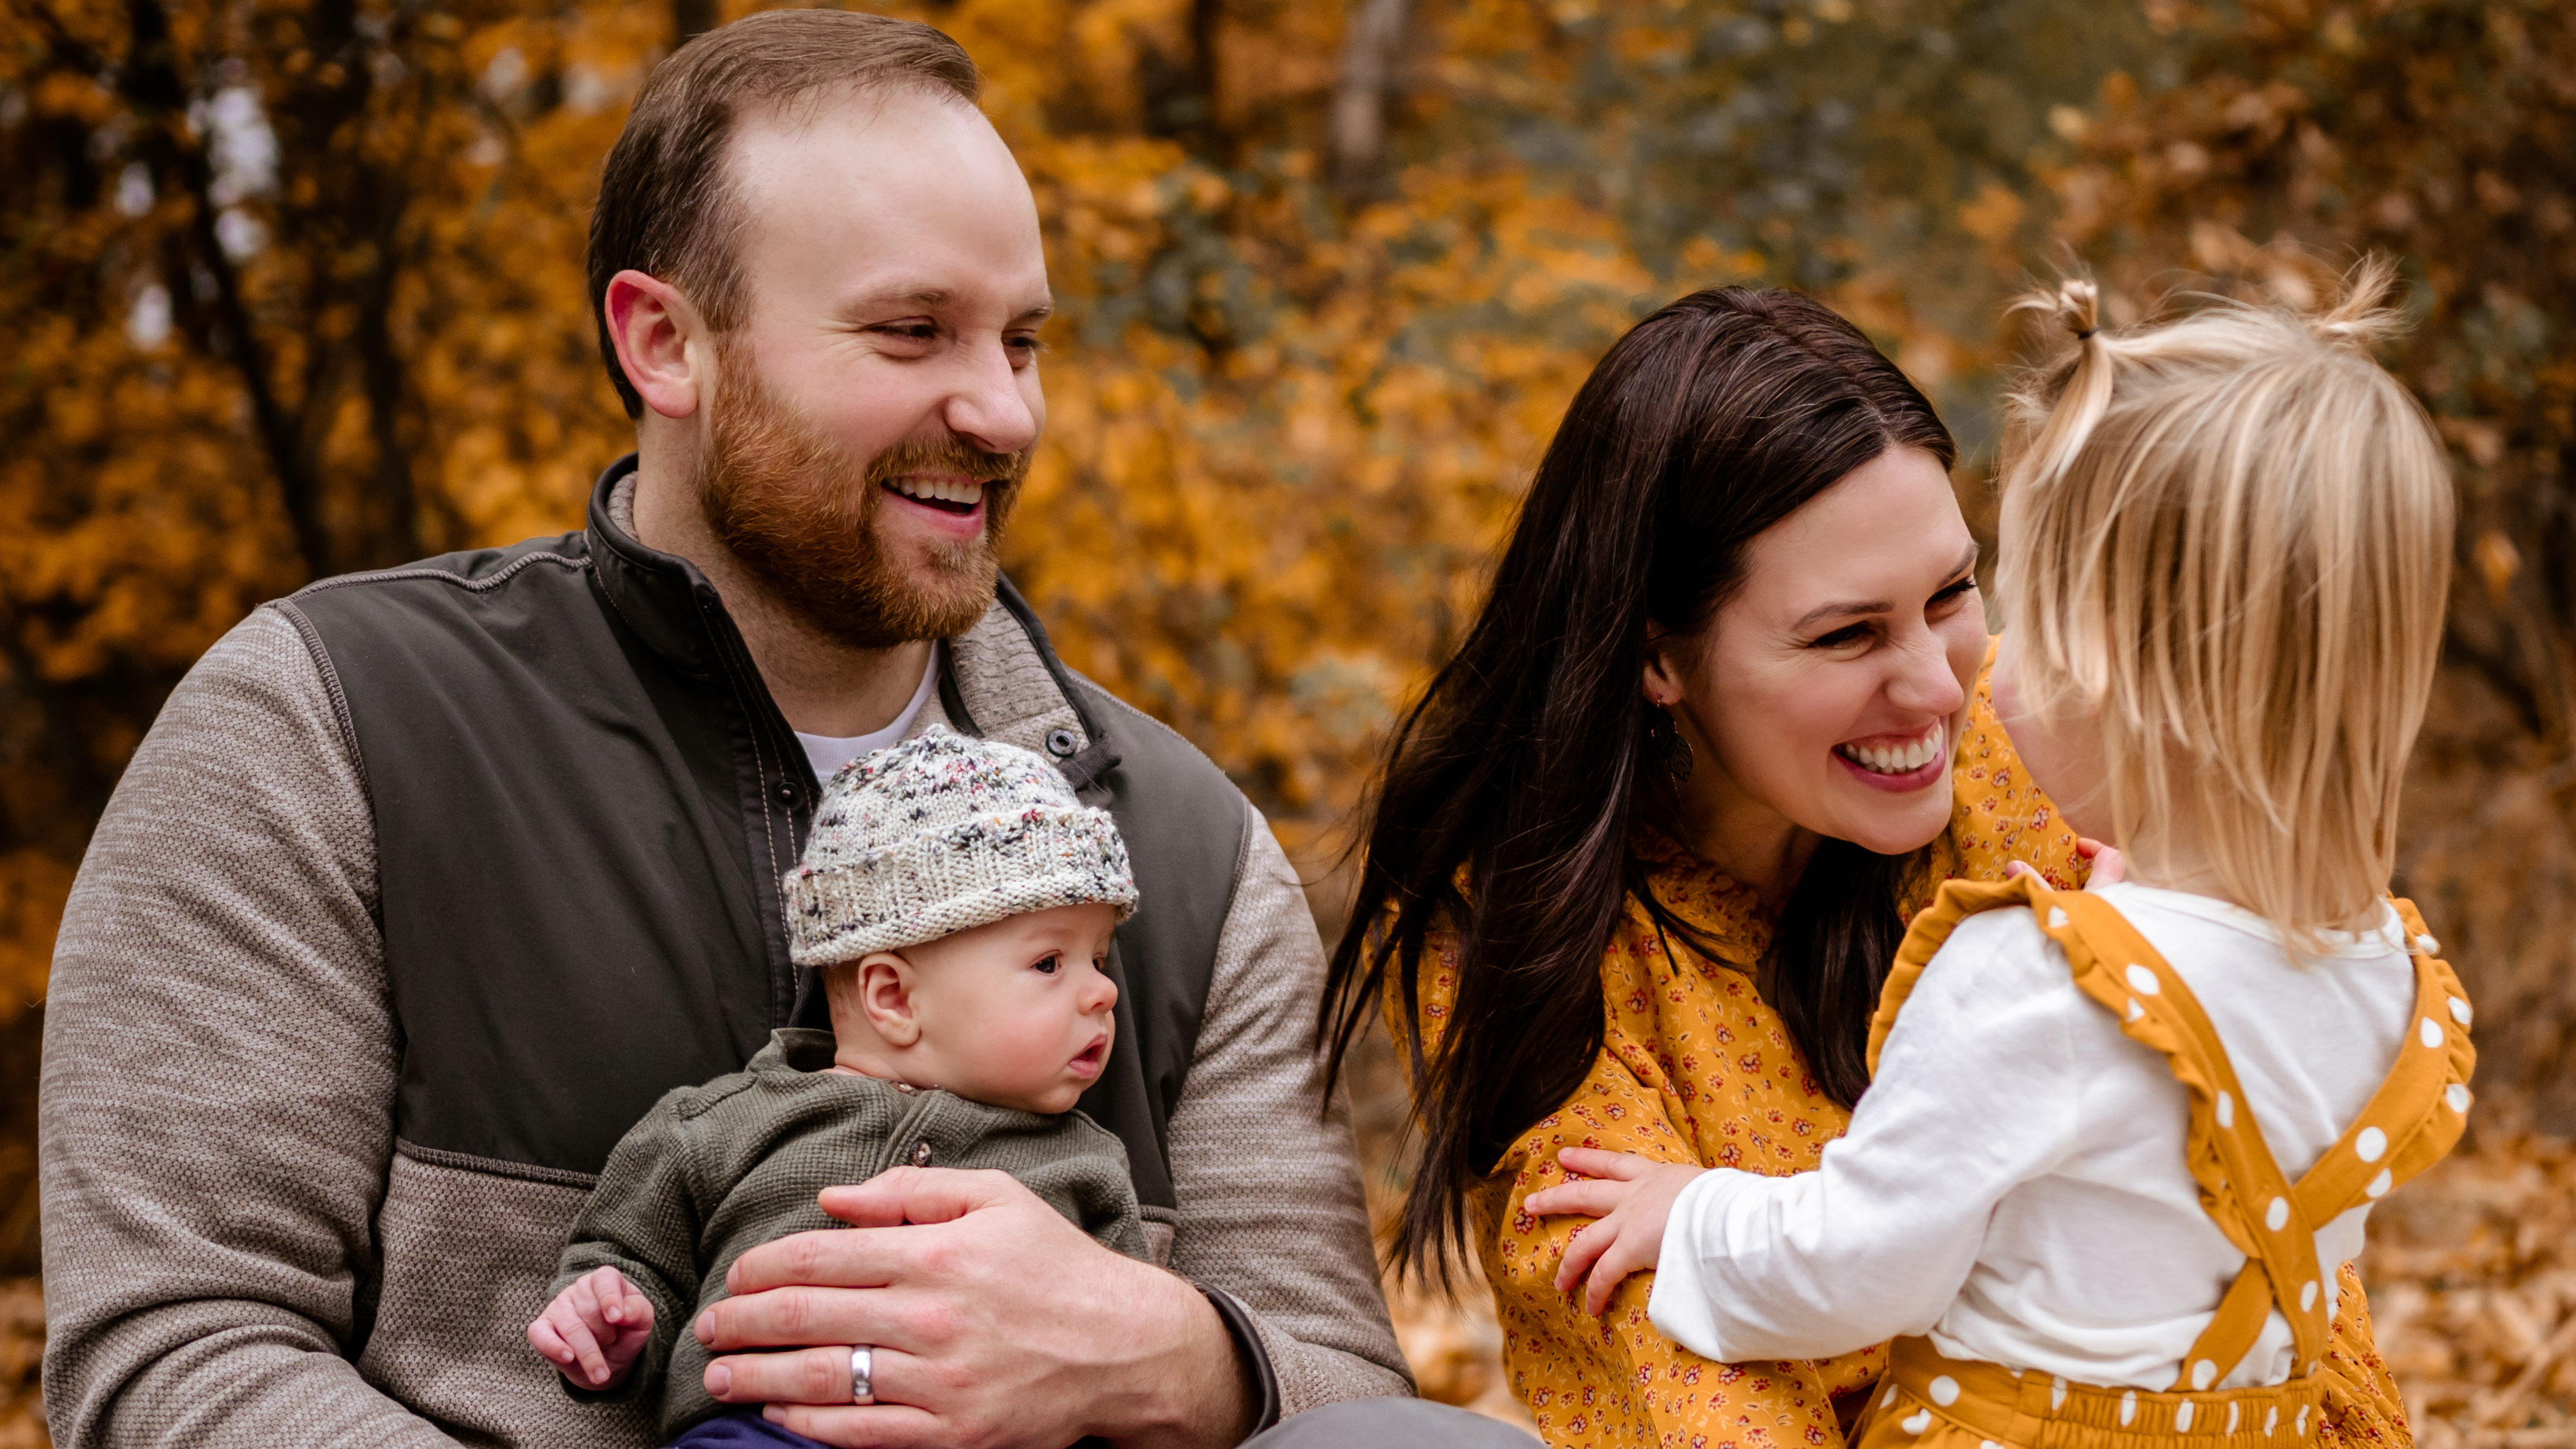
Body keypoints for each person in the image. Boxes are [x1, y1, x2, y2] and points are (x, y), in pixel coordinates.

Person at [42, 12, 1534, 1448]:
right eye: (912, 332)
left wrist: (1178, 1358)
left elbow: (1341, 1393)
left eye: (1022, 341)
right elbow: (176, 1348)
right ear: (664, 345)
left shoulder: (1181, 845)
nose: (1004, 412)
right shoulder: (330, 726)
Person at [1323, 285, 2422, 1446]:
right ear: (1659, 657)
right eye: (1846, 633)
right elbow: (1683, 1381)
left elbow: (2252, 1225)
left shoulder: (2049, 742)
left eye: (1952, 593)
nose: (1941, 689)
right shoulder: (1533, 946)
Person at [531, 727, 1153, 1444]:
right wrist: (611, 1316)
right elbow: (632, 1256)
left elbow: (1119, 1349)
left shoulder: (1086, 1166)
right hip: (763, 1426)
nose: (1102, 993)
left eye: (1100, 959)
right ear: (892, 997)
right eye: (1051, 963)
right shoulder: (722, 1127)